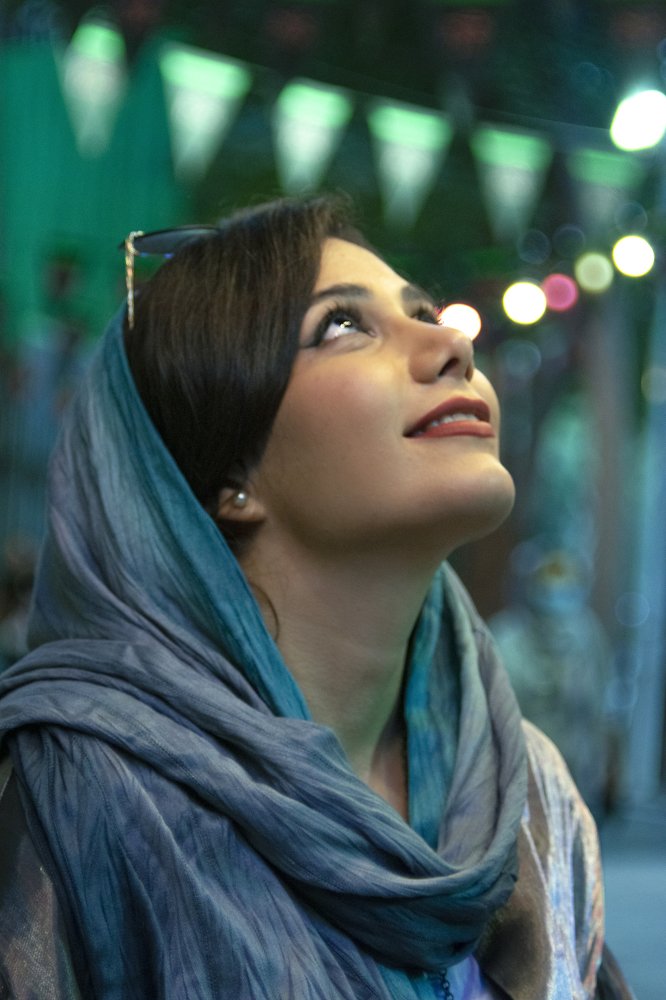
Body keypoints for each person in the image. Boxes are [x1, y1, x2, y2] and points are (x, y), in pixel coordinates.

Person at [0, 197, 632, 999]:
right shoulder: (74, 800)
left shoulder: (531, 797)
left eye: (426, 314)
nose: (451, 343)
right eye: (342, 325)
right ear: (229, 475)